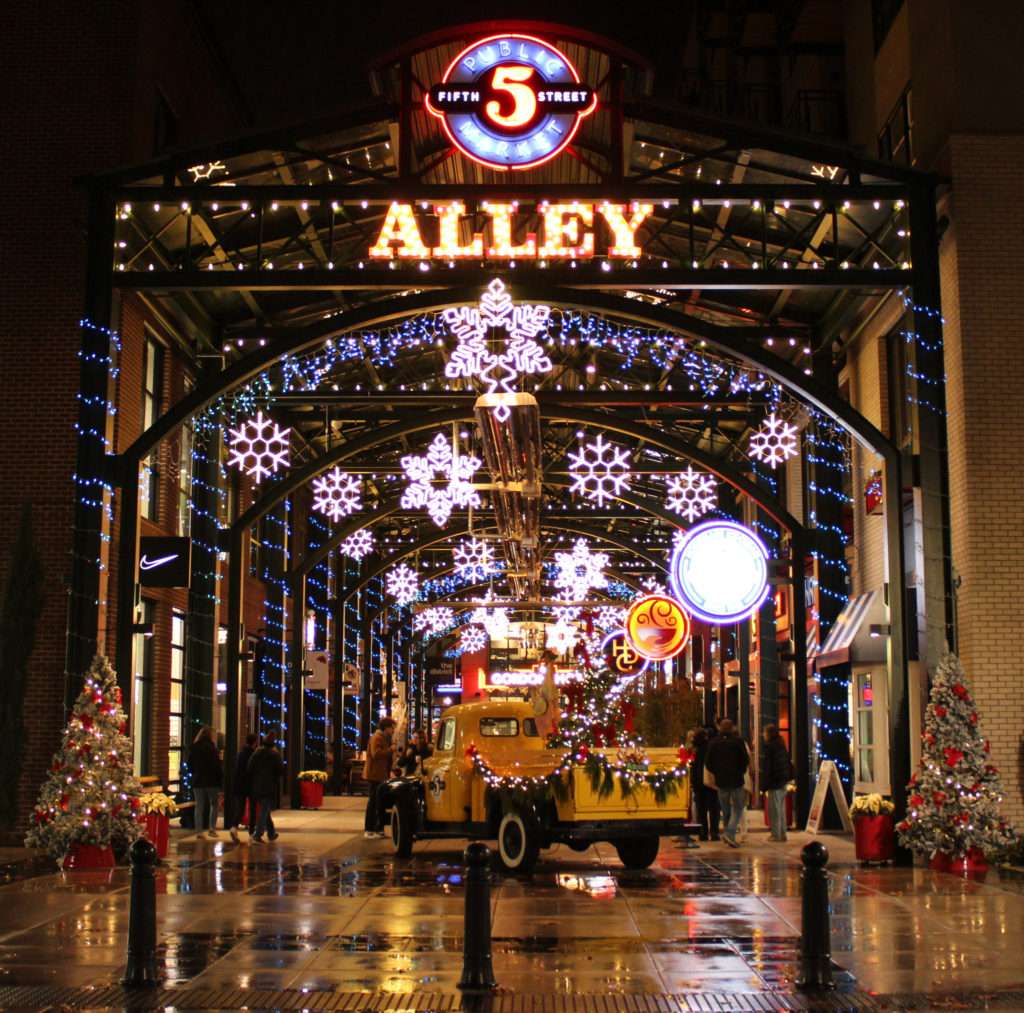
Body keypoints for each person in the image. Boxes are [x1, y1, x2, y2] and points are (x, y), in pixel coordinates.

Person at [705, 718, 749, 847]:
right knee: (738, 807)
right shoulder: (738, 742)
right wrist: (740, 770)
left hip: (721, 781)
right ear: (732, 728)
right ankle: (730, 834)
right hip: (736, 780)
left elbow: (708, 763)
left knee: (726, 810)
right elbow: (745, 760)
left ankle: (728, 834)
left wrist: (717, 772)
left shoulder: (714, 743)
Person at [363, 717, 396, 838]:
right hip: (374, 775)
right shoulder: (377, 737)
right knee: (373, 802)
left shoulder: (384, 737)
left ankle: (377, 829)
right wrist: (390, 750)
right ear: (386, 727)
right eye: (392, 728)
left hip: (380, 775)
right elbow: (375, 754)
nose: (393, 730)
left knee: (378, 802)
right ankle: (369, 829)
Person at [247, 734, 284, 843]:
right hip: (269, 786)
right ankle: (258, 834)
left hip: (257, 785)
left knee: (265, 809)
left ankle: (271, 833)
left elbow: (249, 767)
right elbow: (280, 770)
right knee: (264, 810)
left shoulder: (257, 753)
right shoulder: (275, 754)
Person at [761, 724, 795, 842]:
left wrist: (764, 785)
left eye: (764, 733)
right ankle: (782, 833)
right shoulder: (781, 745)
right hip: (783, 781)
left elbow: (768, 768)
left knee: (774, 810)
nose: (763, 735)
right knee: (781, 808)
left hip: (775, 782)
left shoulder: (770, 747)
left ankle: (776, 834)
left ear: (769, 734)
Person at [189, 726, 222, 839]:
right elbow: (217, 766)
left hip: (198, 780)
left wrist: (194, 773)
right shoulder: (212, 748)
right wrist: (220, 780)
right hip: (211, 781)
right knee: (214, 804)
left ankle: (199, 831)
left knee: (199, 806)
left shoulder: (194, 747)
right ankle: (211, 828)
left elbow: (190, 764)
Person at [226, 733, 258, 843]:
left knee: (240, 808)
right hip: (250, 785)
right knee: (252, 809)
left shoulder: (240, 753)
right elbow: (253, 771)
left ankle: (234, 827)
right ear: (254, 742)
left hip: (239, 785)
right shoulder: (254, 754)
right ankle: (251, 833)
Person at [690, 726, 720, 841]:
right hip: (710, 782)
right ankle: (714, 832)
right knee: (713, 808)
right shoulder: (710, 747)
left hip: (698, 783)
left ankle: (703, 832)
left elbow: (693, 767)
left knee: (701, 809)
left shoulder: (695, 751)